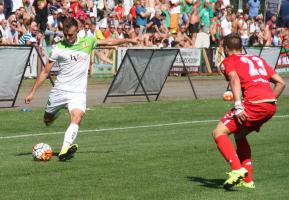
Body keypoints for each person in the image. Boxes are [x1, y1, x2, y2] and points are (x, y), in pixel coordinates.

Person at [24, 17, 137, 161]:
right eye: (66, 34)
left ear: (77, 30)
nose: (69, 37)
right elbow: (45, 72)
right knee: (47, 120)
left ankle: (64, 150)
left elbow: (108, 42)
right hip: (59, 91)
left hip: (77, 93)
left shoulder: (88, 42)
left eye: (71, 34)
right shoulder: (58, 48)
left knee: (77, 116)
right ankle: (54, 113)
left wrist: (129, 40)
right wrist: (32, 92)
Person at [213, 33, 285, 189]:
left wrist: (238, 106)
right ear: (241, 47)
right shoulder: (257, 59)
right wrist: (267, 101)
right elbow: (281, 83)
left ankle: (237, 170)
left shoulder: (228, 60)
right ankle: (248, 180)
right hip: (270, 105)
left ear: (226, 48)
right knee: (239, 135)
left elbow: (234, 78)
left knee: (218, 132)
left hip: (252, 104)